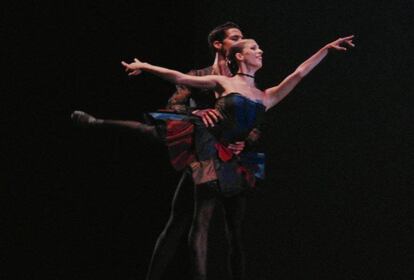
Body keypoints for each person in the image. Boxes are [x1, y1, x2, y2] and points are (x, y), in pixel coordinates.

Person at [121, 35, 355, 280]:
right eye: (254, 48)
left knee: (228, 229)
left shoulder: (266, 96)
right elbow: (180, 77)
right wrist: (145, 66)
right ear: (240, 56)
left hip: (234, 161)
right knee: (200, 222)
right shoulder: (224, 82)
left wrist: (325, 49)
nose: (260, 50)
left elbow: (298, 74)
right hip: (209, 151)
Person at [72, 22, 255, 280]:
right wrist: (198, 111)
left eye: (242, 38)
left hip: (224, 155)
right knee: (184, 222)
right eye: (235, 37)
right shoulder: (201, 75)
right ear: (218, 44)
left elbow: (254, 119)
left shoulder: (243, 81)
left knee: (231, 228)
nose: (241, 41)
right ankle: (98, 122)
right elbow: (174, 105)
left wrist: (243, 140)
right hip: (198, 147)